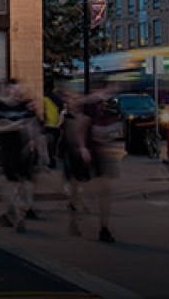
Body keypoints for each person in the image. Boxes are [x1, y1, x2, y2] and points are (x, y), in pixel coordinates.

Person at [0, 80, 47, 233]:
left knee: (21, 183)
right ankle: (18, 216)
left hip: (24, 149)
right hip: (7, 149)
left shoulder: (25, 106)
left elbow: (34, 125)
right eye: (14, 90)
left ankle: (9, 213)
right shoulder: (0, 106)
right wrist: (8, 126)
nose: (17, 93)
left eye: (20, 90)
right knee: (12, 183)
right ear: (8, 89)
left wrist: (35, 142)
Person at [68, 89, 122, 242]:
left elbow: (114, 132)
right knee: (80, 185)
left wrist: (111, 147)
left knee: (105, 189)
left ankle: (104, 228)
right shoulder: (91, 107)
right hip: (87, 151)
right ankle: (74, 218)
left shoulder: (111, 109)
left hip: (100, 152)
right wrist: (83, 147)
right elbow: (80, 129)